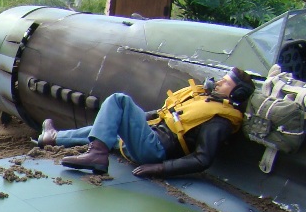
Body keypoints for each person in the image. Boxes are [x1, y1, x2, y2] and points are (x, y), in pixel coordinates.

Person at [34, 67, 256, 177]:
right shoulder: (204, 100)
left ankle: (97, 156)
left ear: (238, 92)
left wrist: (159, 168)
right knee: (107, 125)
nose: (217, 84)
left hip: (155, 150)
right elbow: (163, 113)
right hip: (151, 136)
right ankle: (53, 138)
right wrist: (136, 118)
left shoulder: (219, 120)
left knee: (118, 101)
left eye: (225, 83)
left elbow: (203, 159)